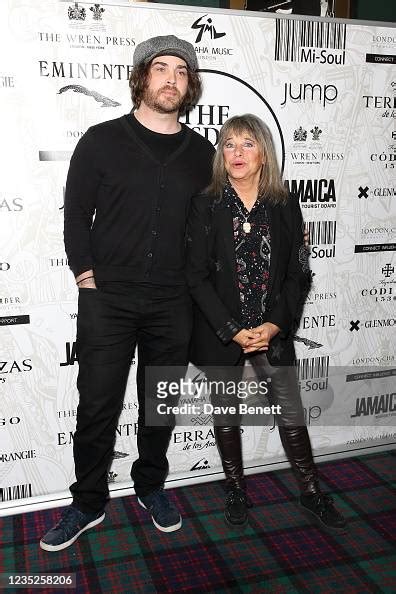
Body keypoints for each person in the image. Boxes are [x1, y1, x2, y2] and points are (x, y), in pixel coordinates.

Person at [40, 35, 215, 551]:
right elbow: (75, 214)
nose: (170, 79)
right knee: (97, 404)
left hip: (173, 302)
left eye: (181, 72)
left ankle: (150, 486)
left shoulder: (203, 153)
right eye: (160, 68)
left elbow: (207, 229)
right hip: (107, 298)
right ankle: (88, 502)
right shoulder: (100, 139)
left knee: (160, 400)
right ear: (141, 77)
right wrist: (83, 273)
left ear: (190, 85)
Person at [186, 114, 346, 532]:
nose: (237, 153)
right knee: (225, 413)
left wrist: (274, 325)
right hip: (223, 332)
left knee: (291, 413)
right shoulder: (206, 204)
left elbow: (299, 272)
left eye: (247, 144)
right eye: (229, 144)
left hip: (270, 332)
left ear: (263, 153)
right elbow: (195, 276)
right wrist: (232, 330)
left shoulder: (284, 203)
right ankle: (236, 489)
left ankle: (311, 492)